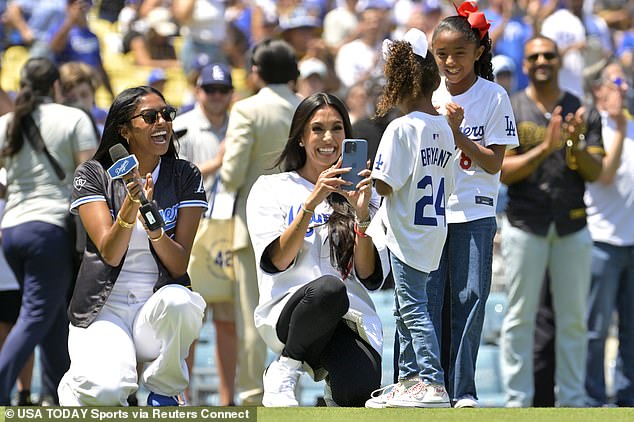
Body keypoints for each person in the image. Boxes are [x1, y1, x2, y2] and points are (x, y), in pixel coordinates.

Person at [56, 85, 209, 406]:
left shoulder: (185, 175)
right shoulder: (93, 174)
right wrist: (131, 204)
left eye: (167, 114)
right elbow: (110, 252)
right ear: (124, 130)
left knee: (183, 302)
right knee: (109, 392)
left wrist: (154, 229)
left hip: (154, 309)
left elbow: (179, 265)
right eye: (150, 117)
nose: (163, 123)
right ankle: (76, 385)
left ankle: (166, 389)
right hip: (103, 309)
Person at [246, 92, 388, 407]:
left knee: (358, 391)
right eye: (317, 129)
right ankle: (286, 367)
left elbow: (368, 274)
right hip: (292, 312)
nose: (328, 138)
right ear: (300, 138)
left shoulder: (368, 193)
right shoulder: (271, 188)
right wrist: (311, 203)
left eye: (337, 128)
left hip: (347, 315)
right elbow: (277, 261)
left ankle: (325, 404)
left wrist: (362, 216)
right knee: (327, 289)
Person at [499, 35, 604, 407]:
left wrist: (573, 145)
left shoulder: (582, 109)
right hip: (525, 223)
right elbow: (503, 172)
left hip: (572, 224)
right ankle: (517, 402)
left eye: (549, 55)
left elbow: (595, 171)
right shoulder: (511, 108)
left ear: (560, 62)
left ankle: (573, 400)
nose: (542, 60)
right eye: (534, 56)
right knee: (519, 319)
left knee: (575, 320)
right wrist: (546, 148)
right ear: (524, 64)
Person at [425, 1, 519, 408]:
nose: (449, 61)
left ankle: (462, 390)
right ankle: (427, 385)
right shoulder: (426, 95)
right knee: (428, 300)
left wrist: (458, 133)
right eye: (441, 54)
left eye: (459, 53)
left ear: (479, 52)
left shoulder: (494, 97)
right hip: (429, 213)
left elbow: (494, 161)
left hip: (476, 211)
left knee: (470, 297)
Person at [364, 28, 457, 408]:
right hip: (433, 228)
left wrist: (369, 176)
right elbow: (448, 185)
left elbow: (386, 185)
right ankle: (407, 381)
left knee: (413, 307)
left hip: (406, 231)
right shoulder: (444, 128)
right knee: (407, 306)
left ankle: (431, 381)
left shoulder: (401, 127)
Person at [0, 57, 98, 405]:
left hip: (12, 230)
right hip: (51, 230)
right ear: (56, 85)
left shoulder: (6, 122)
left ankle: (57, 395)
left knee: (54, 314)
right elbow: (90, 179)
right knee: (38, 313)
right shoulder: (74, 118)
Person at [219, 39, 301, 406]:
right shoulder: (306, 107)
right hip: (302, 221)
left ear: (256, 72)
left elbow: (232, 174)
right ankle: (289, 390)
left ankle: (252, 393)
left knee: (254, 313)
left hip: (253, 225)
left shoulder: (247, 110)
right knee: (298, 312)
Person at [172, 63, 237, 406]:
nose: (215, 96)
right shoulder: (181, 128)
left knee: (227, 321)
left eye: (221, 90)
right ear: (197, 91)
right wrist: (217, 162)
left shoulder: (239, 126)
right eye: (209, 89)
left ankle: (228, 400)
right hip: (191, 230)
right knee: (189, 323)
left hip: (225, 229)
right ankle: (185, 398)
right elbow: (173, 179)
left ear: (230, 94)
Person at [584, 62, 634, 407]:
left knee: (631, 330)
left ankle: (627, 397)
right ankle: (592, 398)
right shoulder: (595, 126)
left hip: (631, 242)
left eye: (626, 82)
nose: (625, 88)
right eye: (617, 82)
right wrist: (617, 124)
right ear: (599, 90)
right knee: (596, 330)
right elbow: (604, 175)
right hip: (602, 241)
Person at [0, 168, 35, 406]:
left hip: (17, 276)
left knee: (24, 334)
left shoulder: (12, 177)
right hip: (7, 277)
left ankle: (24, 395)